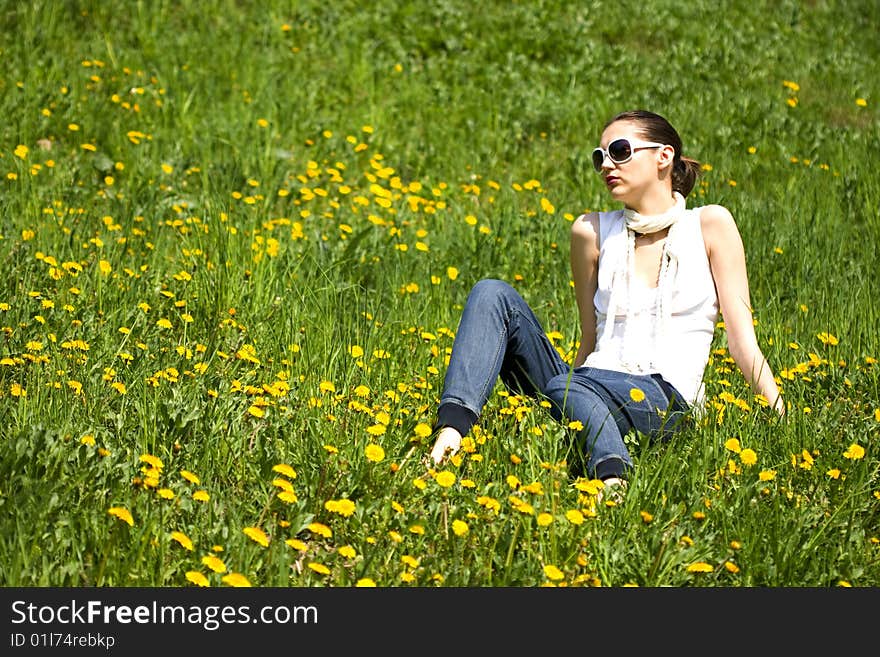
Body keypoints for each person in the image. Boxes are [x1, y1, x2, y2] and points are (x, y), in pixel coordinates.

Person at [428, 109, 785, 497]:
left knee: (573, 385)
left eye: (619, 151)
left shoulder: (709, 224)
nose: (606, 165)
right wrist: (566, 389)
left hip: (663, 396)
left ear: (663, 156)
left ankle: (611, 475)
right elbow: (590, 336)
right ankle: (449, 435)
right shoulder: (591, 231)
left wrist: (780, 416)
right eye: (600, 157)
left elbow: (741, 341)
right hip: (587, 381)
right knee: (491, 293)